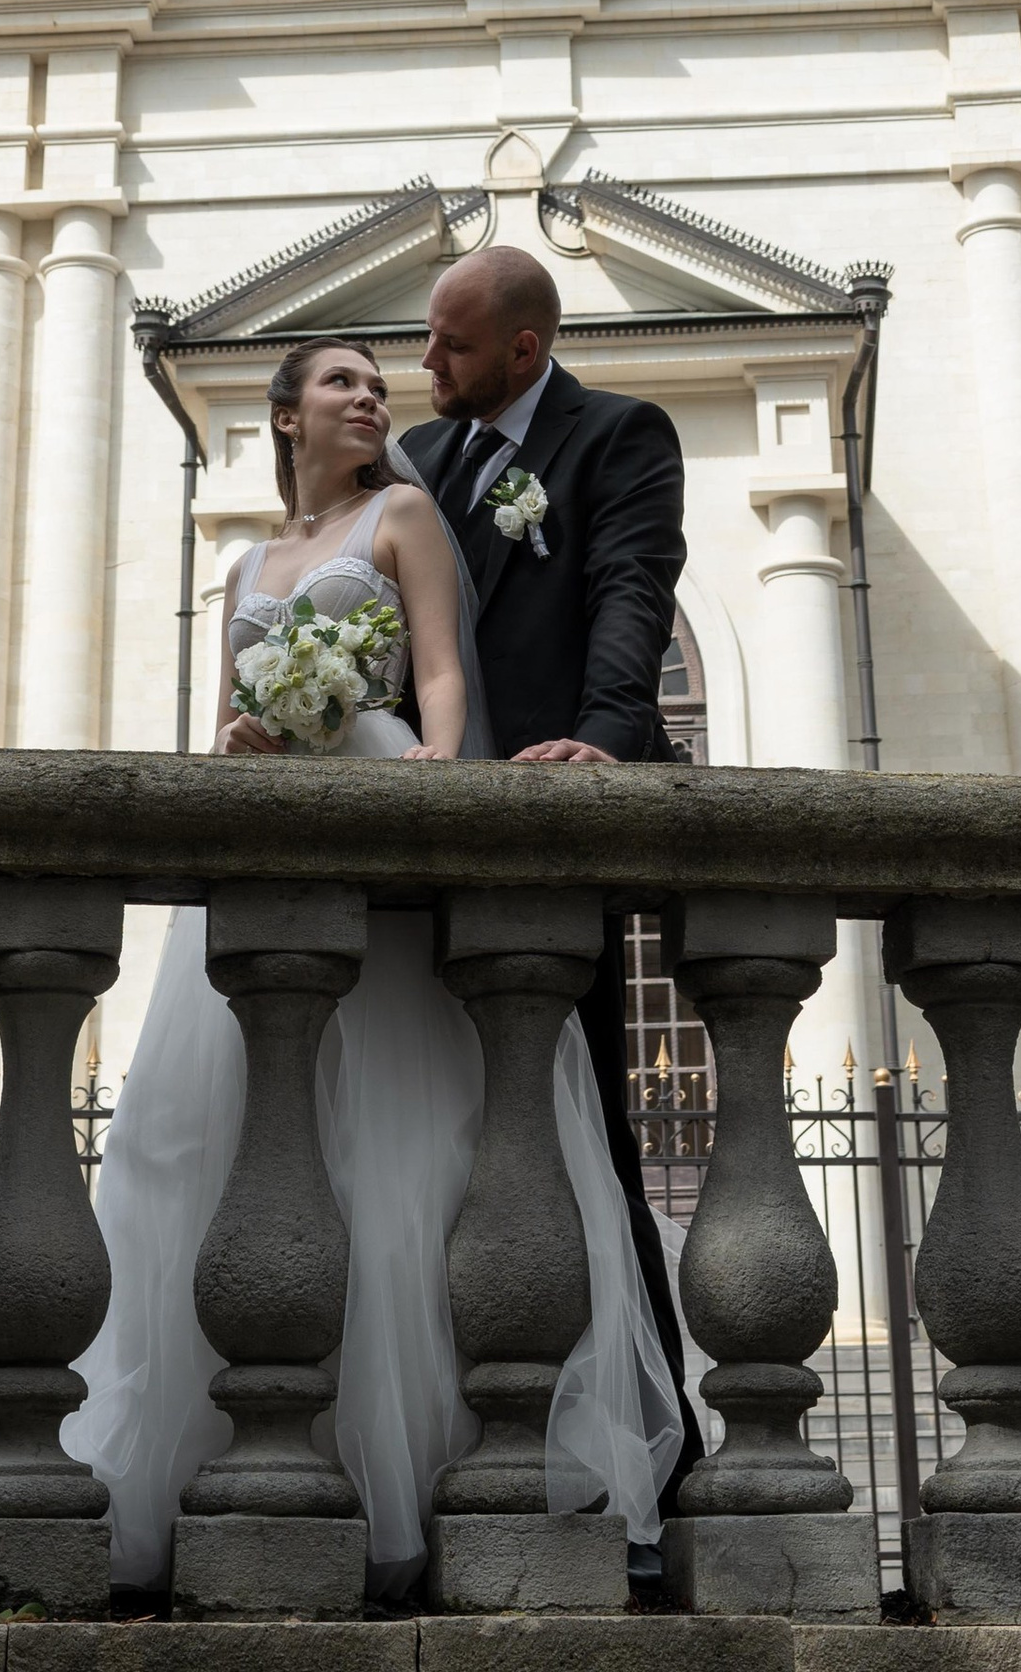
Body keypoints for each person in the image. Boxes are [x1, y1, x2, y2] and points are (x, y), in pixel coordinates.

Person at [62, 330, 681, 1602]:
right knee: (221, 1143)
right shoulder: (245, 557)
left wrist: (433, 783)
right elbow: (231, 715)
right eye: (340, 380)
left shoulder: (402, 511)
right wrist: (243, 733)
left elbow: (442, 669)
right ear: (284, 414)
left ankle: (422, 1476)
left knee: (405, 1137)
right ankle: (235, 1472)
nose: (369, 394)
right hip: (275, 830)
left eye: (376, 383)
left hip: (383, 801)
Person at [402, 246, 703, 1496]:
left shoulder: (617, 435)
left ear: (524, 348)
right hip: (418, 848)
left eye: (452, 346)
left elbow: (631, 590)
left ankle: (650, 1444)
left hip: (545, 837)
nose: (425, 365)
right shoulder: (416, 463)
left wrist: (609, 734)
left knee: (585, 1140)